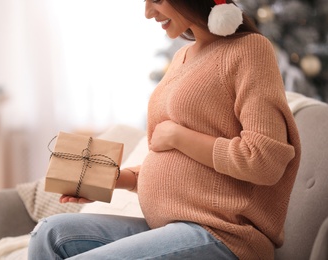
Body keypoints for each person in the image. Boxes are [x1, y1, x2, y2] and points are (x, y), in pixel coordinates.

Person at [28, 0, 301, 259]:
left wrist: (178, 136)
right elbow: (173, 164)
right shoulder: (184, 55)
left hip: (222, 234)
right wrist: (114, 180)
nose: (148, 12)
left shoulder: (250, 49)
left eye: (157, 0)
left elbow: (264, 161)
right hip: (167, 227)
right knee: (49, 234)